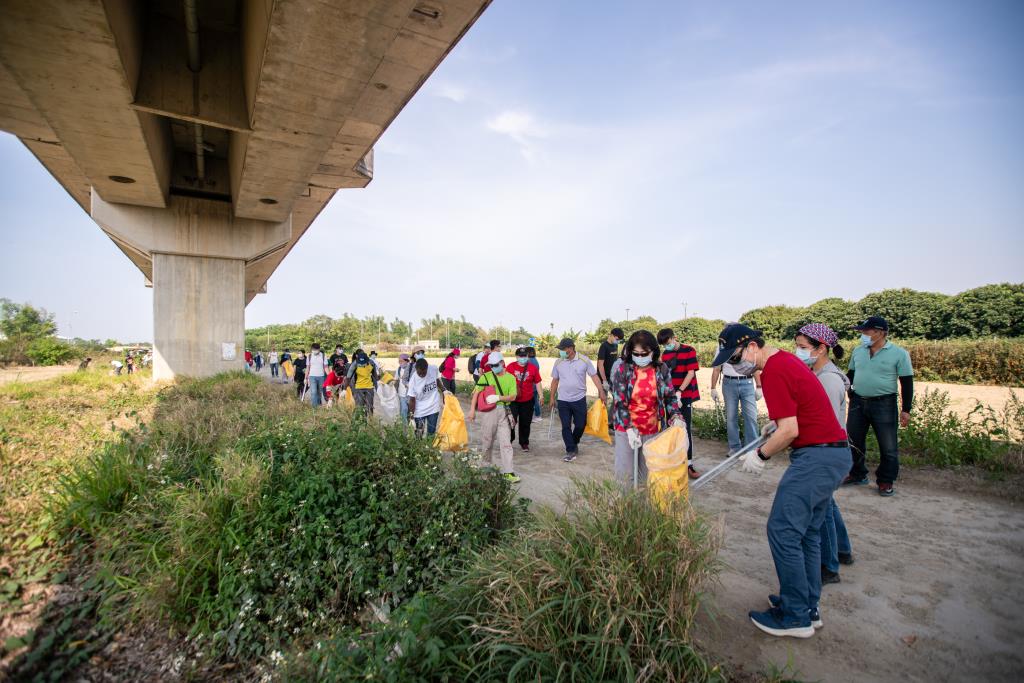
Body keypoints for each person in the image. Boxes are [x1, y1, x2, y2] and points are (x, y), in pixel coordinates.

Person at [711, 324, 850, 639]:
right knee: (807, 534)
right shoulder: (785, 362)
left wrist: (760, 456)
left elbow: (791, 431)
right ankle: (806, 606)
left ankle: (795, 615)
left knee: (783, 529)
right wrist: (774, 425)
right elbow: (792, 419)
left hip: (817, 458)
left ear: (751, 347)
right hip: (832, 454)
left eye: (734, 358)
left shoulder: (773, 370)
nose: (735, 366)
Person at [794, 323, 855, 584]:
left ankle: (828, 566)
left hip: (824, 451)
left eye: (803, 347)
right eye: (797, 346)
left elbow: (824, 423)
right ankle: (842, 550)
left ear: (822, 349)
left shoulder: (828, 380)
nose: (798, 351)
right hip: (825, 451)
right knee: (828, 504)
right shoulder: (816, 374)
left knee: (823, 509)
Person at [844, 316, 914, 496]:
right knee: (853, 441)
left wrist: (906, 410)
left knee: (888, 445)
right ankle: (857, 473)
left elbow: (906, 382)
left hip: (884, 403)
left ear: (880, 332)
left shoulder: (899, 353)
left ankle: (885, 480)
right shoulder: (858, 351)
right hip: (858, 402)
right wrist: (850, 391)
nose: (862, 335)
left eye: (866, 331)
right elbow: (850, 375)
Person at [609, 330, 686, 487]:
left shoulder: (661, 369)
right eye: (636, 354)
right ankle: (626, 510)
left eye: (644, 354)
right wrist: (629, 429)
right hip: (627, 430)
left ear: (653, 352)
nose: (640, 357)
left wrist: (676, 416)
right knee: (626, 477)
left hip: (652, 430)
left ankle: (645, 510)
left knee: (649, 476)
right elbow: (619, 403)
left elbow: (670, 397)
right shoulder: (623, 370)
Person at [548, 338, 607, 462]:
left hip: (579, 399)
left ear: (570, 348)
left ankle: (574, 443)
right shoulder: (558, 362)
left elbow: (594, 376)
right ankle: (570, 450)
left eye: (563, 349)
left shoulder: (584, 360)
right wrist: (552, 397)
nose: (561, 352)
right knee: (565, 426)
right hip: (563, 400)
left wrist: (601, 391)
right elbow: (555, 380)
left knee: (580, 425)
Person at [468, 352, 519, 482]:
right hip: (488, 413)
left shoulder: (511, 378)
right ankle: (485, 469)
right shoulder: (485, 377)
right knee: (487, 441)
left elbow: (513, 396)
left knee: (506, 443)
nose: (493, 368)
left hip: (504, 411)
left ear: (502, 363)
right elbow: (476, 393)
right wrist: (472, 410)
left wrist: (498, 398)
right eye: (491, 366)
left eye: (495, 365)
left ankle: (508, 472)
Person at [710, 327, 763, 453]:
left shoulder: (746, 347)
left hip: (747, 382)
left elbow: (755, 367)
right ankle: (734, 448)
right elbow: (717, 369)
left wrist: (759, 387)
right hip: (729, 384)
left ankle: (752, 448)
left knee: (751, 416)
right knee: (731, 417)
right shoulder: (721, 348)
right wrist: (713, 388)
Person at [657, 328, 702, 479]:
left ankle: (688, 463)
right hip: (670, 396)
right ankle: (674, 461)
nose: (666, 346)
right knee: (671, 428)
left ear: (674, 338)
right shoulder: (666, 354)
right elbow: (664, 373)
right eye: (663, 344)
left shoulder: (689, 350)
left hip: (685, 395)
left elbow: (691, 372)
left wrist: (680, 391)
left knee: (685, 427)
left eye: (667, 342)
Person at [507, 347, 543, 452]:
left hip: (528, 400)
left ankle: (524, 443)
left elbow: (538, 382)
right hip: (513, 400)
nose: (523, 358)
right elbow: (505, 381)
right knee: (511, 422)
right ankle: (508, 441)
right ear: (517, 357)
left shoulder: (532, 368)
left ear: (527, 356)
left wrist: (541, 395)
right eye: (520, 356)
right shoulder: (510, 367)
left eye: (525, 356)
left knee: (525, 423)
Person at [407, 358, 445, 437]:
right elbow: (412, 400)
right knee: (419, 433)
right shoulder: (413, 381)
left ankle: (429, 448)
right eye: (419, 373)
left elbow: (437, 379)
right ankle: (420, 449)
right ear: (416, 369)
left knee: (431, 432)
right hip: (420, 410)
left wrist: (443, 390)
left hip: (433, 407)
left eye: (424, 373)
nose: (421, 375)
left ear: (427, 368)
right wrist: (411, 417)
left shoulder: (433, 369)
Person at [345, 349, 379, 415]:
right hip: (358, 388)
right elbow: (348, 377)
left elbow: (375, 375)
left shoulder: (371, 363)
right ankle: (360, 422)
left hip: (369, 387)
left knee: (369, 407)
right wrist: (344, 389)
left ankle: (370, 422)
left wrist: (378, 386)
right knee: (359, 407)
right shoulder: (355, 363)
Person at [304, 343, 328, 408]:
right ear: (311, 349)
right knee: (313, 392)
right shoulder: (309, 356)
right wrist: (305, 378)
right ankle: (314, 407)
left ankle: (319, 404)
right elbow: (307, 367)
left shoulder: (323, 356)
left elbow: (326, 367)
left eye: (316, 349)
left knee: (319, 392)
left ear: (319, 349)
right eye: (313, 349)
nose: (315, 351)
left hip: (321, 376)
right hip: (312, 376)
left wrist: (329, 376)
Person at [527, 346, 543, 422]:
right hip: (535, 384)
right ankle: (537, 415)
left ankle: (537, 415)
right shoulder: (534, 360)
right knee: (535, 400)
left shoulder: (530, 361)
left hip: (532, 384)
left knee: (533, 401)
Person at [395, 353, 412, 421]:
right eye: (399, 361)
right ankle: (405, 427)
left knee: (410, 411)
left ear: (407, 361)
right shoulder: (398, 369)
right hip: (401, 393)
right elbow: (396, 380)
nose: (400, 363)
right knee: (404, 409)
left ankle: (409, 424)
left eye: (401, 361)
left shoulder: (412, 369)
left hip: (411, 394)